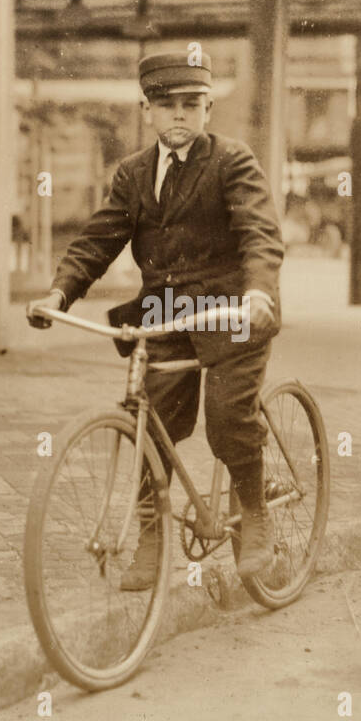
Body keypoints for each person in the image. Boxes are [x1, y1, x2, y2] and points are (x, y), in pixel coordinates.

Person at [25, 51, 284, 588]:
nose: (180, 117)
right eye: (167, 107)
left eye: (191, 105)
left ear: (208, 109)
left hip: (231, 311)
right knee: (152, 425)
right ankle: (150, 538)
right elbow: (97, 241)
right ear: (148, 111)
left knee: (227, 416)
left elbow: (261, 234)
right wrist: (58, 294)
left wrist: (259, 293)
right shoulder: (133, 173)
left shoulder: (232, 161)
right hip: (166, 315)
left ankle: (255, 514)